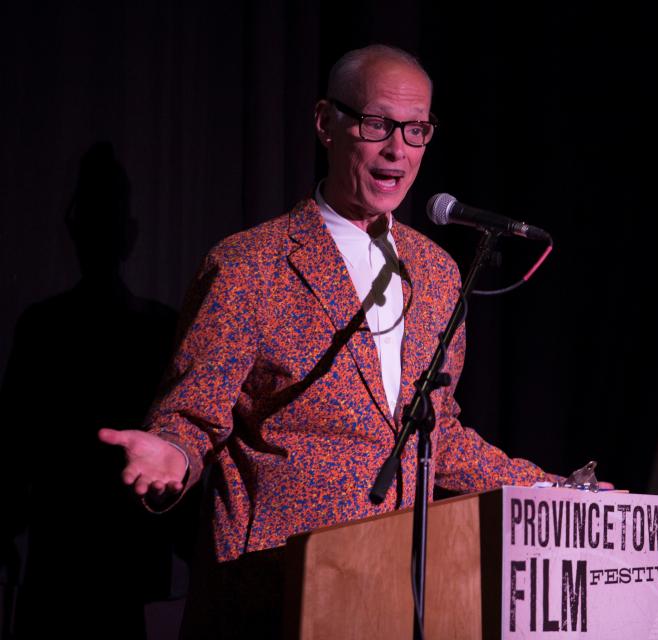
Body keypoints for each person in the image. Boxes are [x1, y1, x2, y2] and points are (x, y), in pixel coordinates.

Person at [98, 44, 553, 636]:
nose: (397, 149)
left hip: (395, 591)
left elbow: (437, 431)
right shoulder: (250, 264)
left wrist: (546, 490)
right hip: (273, 588)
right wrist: (173, 455)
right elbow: (193, 417)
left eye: (416, 130)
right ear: (325, 123)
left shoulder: (437, 273)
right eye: (376, 123)